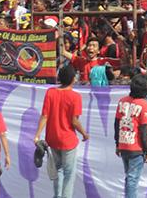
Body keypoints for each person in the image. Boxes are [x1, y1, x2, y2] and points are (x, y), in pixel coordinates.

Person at [34, 63, 89, 198]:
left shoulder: (50, 92)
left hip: (52, 138)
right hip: (68, 140)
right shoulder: (75, 97)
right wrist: (84, 133)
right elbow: (74, 121)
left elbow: (44, 115)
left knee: (57, 170)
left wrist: (37, 135)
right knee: (69, 174)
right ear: (72, 79)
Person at [115, 73, 147, 198]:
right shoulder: (143, 105)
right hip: (136, 147)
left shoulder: (122, 101)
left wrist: (117, 144)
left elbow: (116, 124)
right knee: (132, 179)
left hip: (123, 144)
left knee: (129, 177)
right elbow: (144, 130)